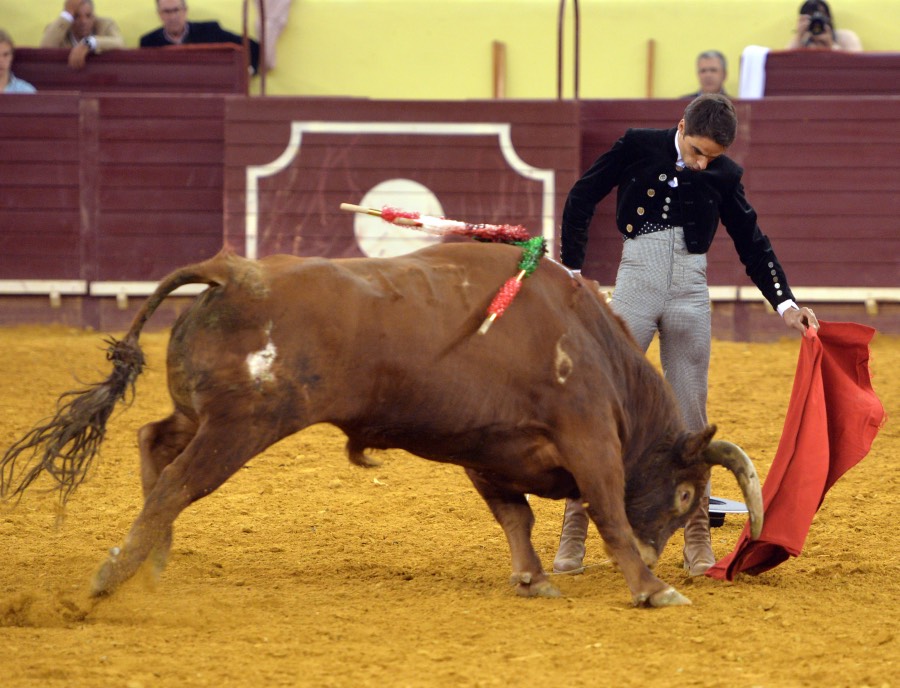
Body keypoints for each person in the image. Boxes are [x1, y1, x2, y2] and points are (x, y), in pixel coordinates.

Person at [553, 93, 819, 577]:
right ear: (681, 127)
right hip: (635, 286)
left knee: (692, 417)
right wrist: (571, 269)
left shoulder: (725, 175)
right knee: (603, 402)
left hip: (691, 296)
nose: (701, 164)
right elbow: (582, 196)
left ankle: (697, 534)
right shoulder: (639, 145)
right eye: (697, 151)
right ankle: (575, 528)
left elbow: (752, 243)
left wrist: (785, 304)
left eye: (711, 158)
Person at [140, 0, 261, 75]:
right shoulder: (149, 42)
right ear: (159, 14)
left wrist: (247, 72)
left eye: (176, 10)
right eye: (167, 11)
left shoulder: (210, 32)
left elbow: (252, 47)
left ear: (185, 11)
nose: (172, 17)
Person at [40, 0, 124, 70]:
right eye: (76, 16)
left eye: (88, 16)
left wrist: (89, 43)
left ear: (94, 16)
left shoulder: (105, 25)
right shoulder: (59, 29)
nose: (83, 21)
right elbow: (44, 50)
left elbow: (120, 43)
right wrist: (66, 16)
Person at [787, 0, 863, 51]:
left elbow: (856, 66)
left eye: (820, 16)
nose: (816, 22)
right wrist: (798, 38)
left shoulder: (846, 38)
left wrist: (831, 46)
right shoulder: (802, 40)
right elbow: (786, 65)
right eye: (811, 18)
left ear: (829, 18)